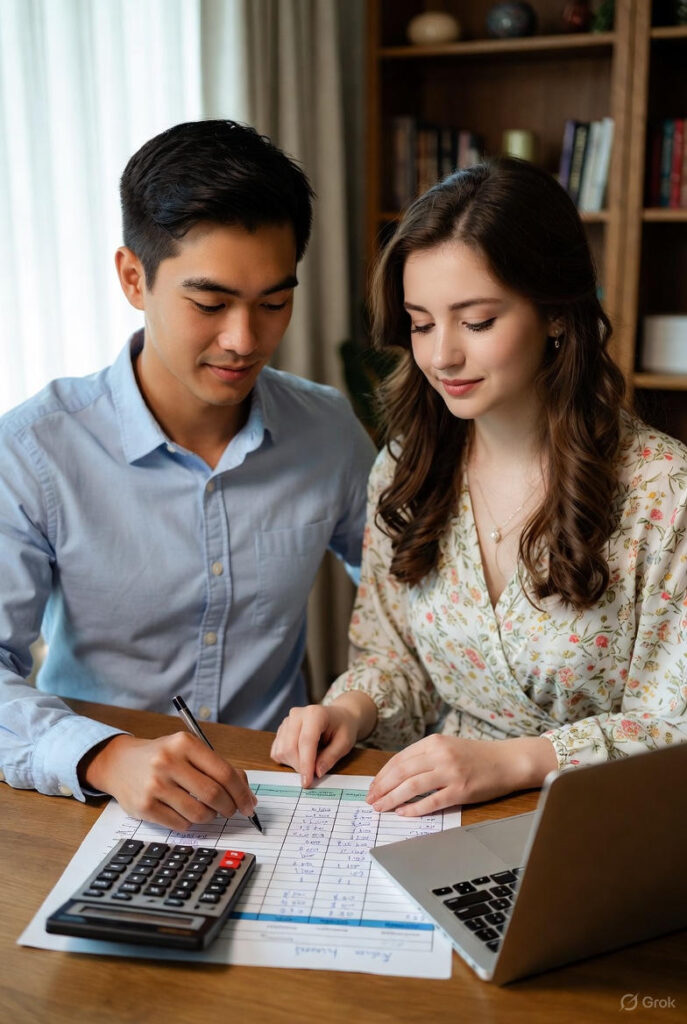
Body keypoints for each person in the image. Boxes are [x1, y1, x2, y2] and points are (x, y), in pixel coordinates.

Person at [271, 157, 687, 815]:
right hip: (440, 814)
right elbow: (395, 659)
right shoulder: (406, 469)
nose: (441, 356)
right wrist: (349, 710)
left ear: (554, 314)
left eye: (477, 320)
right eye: (421, 321)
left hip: (604, 825)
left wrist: (516, 762)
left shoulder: (662, 493)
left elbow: (674, 726)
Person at [0, 119, 376, 829]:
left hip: (279, 793)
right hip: (91, 798)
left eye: (273, 303)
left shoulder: (325, 431)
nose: (244, 340)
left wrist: (355, 701)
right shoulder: (34, 450)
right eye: (209, 304)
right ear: (132, 278)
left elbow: (410, 597)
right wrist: (103, 756)